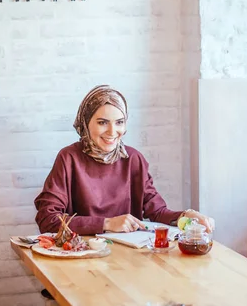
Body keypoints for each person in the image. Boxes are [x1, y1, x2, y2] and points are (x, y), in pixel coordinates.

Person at [35, 84, 214, 235]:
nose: (113, 132)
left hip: (128, 258)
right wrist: (106, 223)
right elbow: (47, 219)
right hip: (82, 255)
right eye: (102, 122)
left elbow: (157, 211)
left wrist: (187, 215)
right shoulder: (69, 159)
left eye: (119, 122)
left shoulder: (133, 159)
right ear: (86, 123)